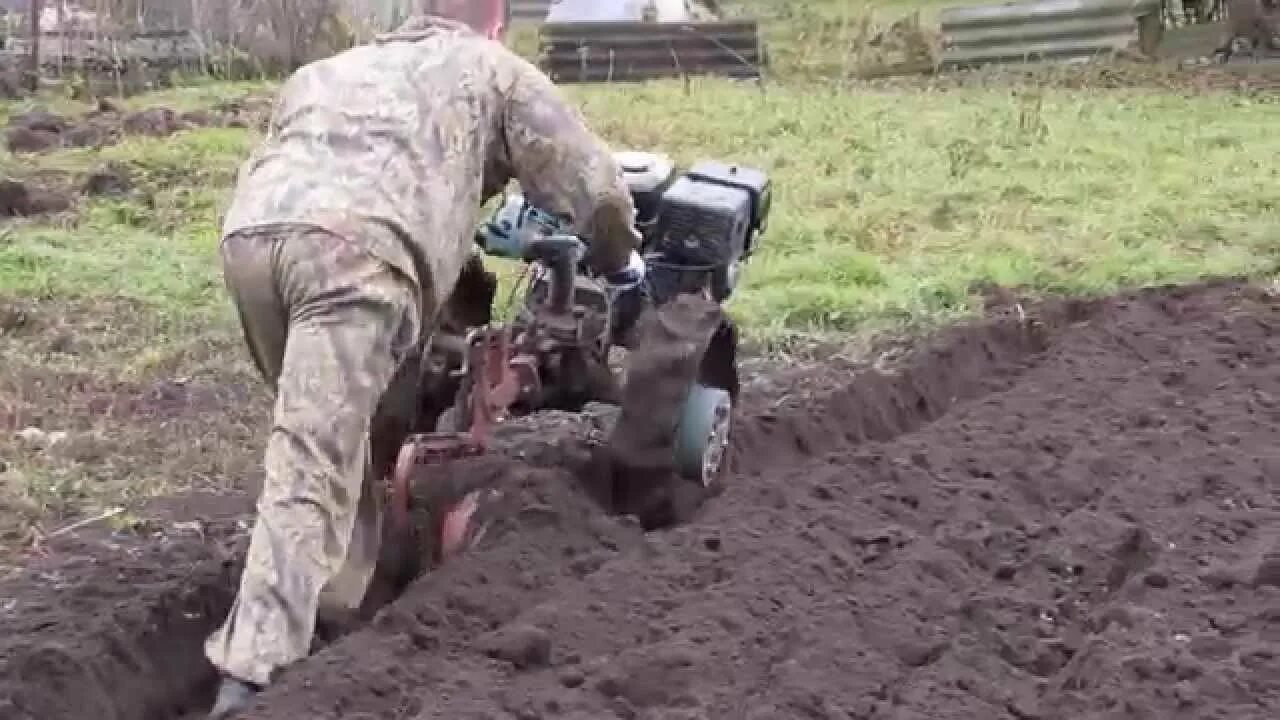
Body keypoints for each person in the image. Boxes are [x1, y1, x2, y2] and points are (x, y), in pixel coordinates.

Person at [204, 5, 642, 718]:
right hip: (357, 256)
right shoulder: (495, 70)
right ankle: (250, 678)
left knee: (331, 440)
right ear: (495, 24)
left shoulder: (331, 68)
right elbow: (592, 189)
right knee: (312, 457)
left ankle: (349, 595)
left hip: (252, 241)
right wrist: (622, 262)